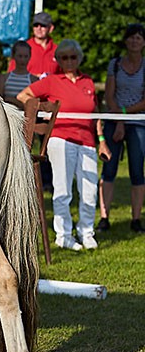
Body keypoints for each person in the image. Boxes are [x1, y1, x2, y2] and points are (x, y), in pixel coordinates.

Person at [17, 40, 111, 251]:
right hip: (61, 138)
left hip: (87, 140)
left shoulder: (87, 81)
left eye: (73, 57)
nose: (69, 61)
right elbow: (24, 96)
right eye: (64, 58)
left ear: (79, 58)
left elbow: (94, 112)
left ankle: (86, 231)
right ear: (58, 60)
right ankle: (64, 234)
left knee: (89, 189)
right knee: (63, 188)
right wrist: (43, 114)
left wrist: (101, 140)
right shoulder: (51, 81)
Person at [98, 23, 145, 233]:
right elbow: (109, 95)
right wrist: (118, 120)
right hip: (114, 119)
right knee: (109, 169)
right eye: (131, 37)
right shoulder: (115, 64)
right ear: (126, 40)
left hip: (137, 122)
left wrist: (124, 115)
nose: (135, 41)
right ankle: (104, 217)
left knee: (137, 170)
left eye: (139, 37)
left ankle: (136, 219)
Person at [9, 11, 59, 78]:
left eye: (43, 25)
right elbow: (11, 75)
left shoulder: (58, 51)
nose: (39, 28)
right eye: (36, 25)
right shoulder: (22, 48)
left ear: (51, 28)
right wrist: (35, 77)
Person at [0, 40, 39, 109]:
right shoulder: (4, 78)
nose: (23, 60)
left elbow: (34, 104)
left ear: (30, 57)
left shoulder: (33, 80)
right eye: (20, 56)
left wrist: (12, 100)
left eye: (25, 56)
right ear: (13, 56)